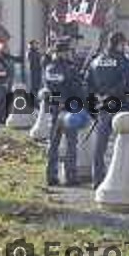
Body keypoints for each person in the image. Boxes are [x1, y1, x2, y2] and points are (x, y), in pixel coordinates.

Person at [86, 31, 129, 189]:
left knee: (100, 145)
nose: (125, 47)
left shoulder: (96, 60)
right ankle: (119, 180)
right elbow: (127, 83)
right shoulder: (123, 61)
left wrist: (98, 97)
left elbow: (87, 82)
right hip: (120, 106)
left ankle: (97, 179)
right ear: (119, 43)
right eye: (124, 44)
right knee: (122, 144)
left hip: (101, 106)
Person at [43, 39, 84, 187]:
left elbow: (52, 87)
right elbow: (77, 89)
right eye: (68, 52)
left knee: (54, 143)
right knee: (71, 144)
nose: (70, 54)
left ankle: (51, 176)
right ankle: (70, 176)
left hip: (55, 109)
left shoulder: (50, 68)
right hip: (69, 109)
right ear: (62, 53)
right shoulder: (70, 69)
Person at [0, 44, 20, 124]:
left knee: (8, 101)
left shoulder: (9, 58)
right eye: (5, 48)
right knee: (1, 102)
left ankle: (6, 118)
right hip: (1, 83)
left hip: (9, 83)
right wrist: (4, 74)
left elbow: (18, 60)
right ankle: (0, 119)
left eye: (7, 48)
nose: (7, 50)